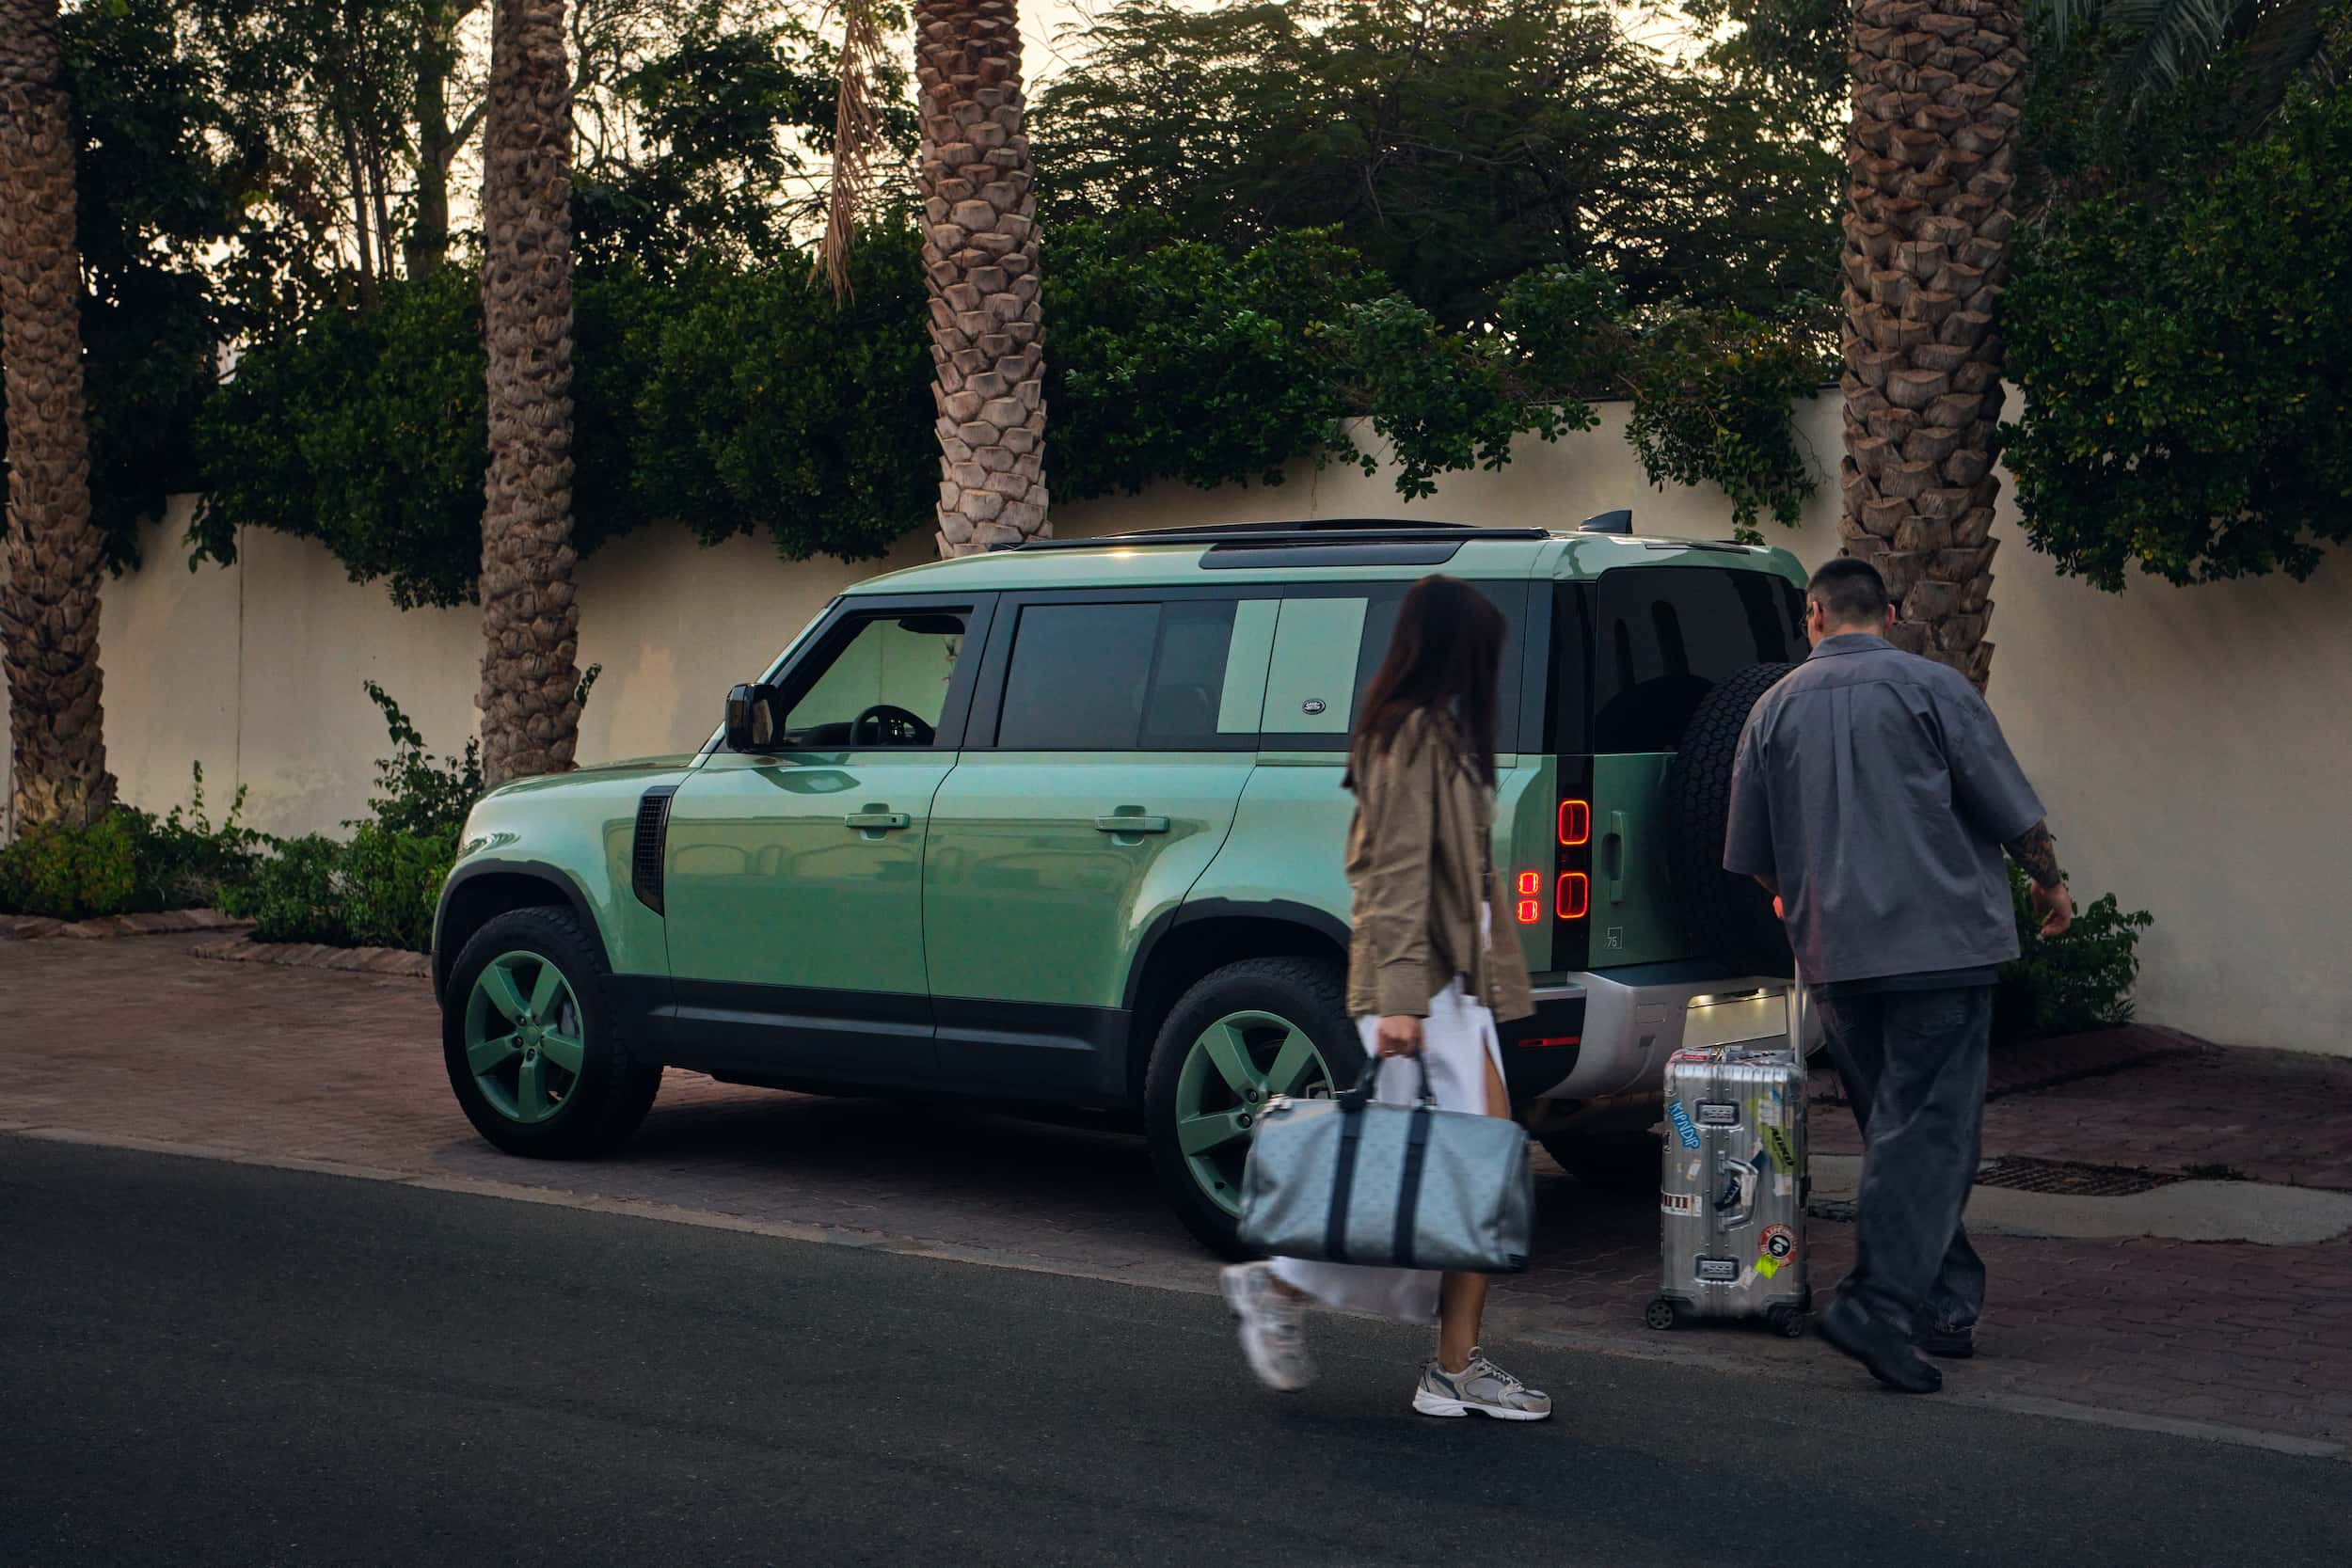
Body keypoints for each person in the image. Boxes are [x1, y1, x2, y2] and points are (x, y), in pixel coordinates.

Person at [1725, 556, 2074, 1394]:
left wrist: (1801, 900)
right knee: (1933, 1132)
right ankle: (1878, 1303)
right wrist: (2050, 881)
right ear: (1888, 611)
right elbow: (2010, 807)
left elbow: (1754, 857)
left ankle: (1943, 1306)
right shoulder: (1933, 688)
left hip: (1837, 959)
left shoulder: (1768, 710)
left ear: (1813, 615)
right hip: (1939, 947)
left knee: (1901, 1131)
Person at [1218, 575, 1551, 1421]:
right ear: (1457, 652)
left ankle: (1441, 1358)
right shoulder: (1411, 738)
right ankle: (1298, 1291)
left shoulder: (1427, 732)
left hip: (1448, 984)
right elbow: (1392, 876)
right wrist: (1402, 1000)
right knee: (1446, 1174)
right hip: (1423, 987)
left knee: (1452, 1174)